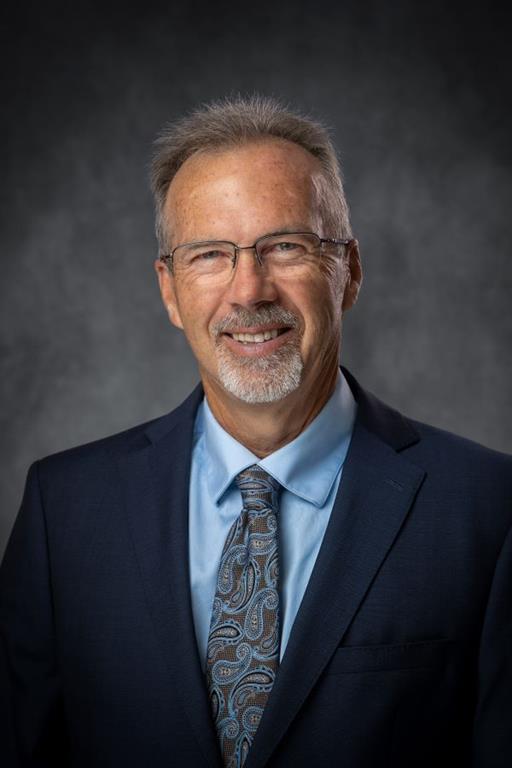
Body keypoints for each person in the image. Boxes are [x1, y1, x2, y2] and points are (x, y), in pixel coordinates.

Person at [0, 96, 511, 768]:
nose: (248, 291)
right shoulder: (63, 509)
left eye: (286, 246)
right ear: (169, 290)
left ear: (348, 270)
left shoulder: (488, 508)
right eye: (210, 254)